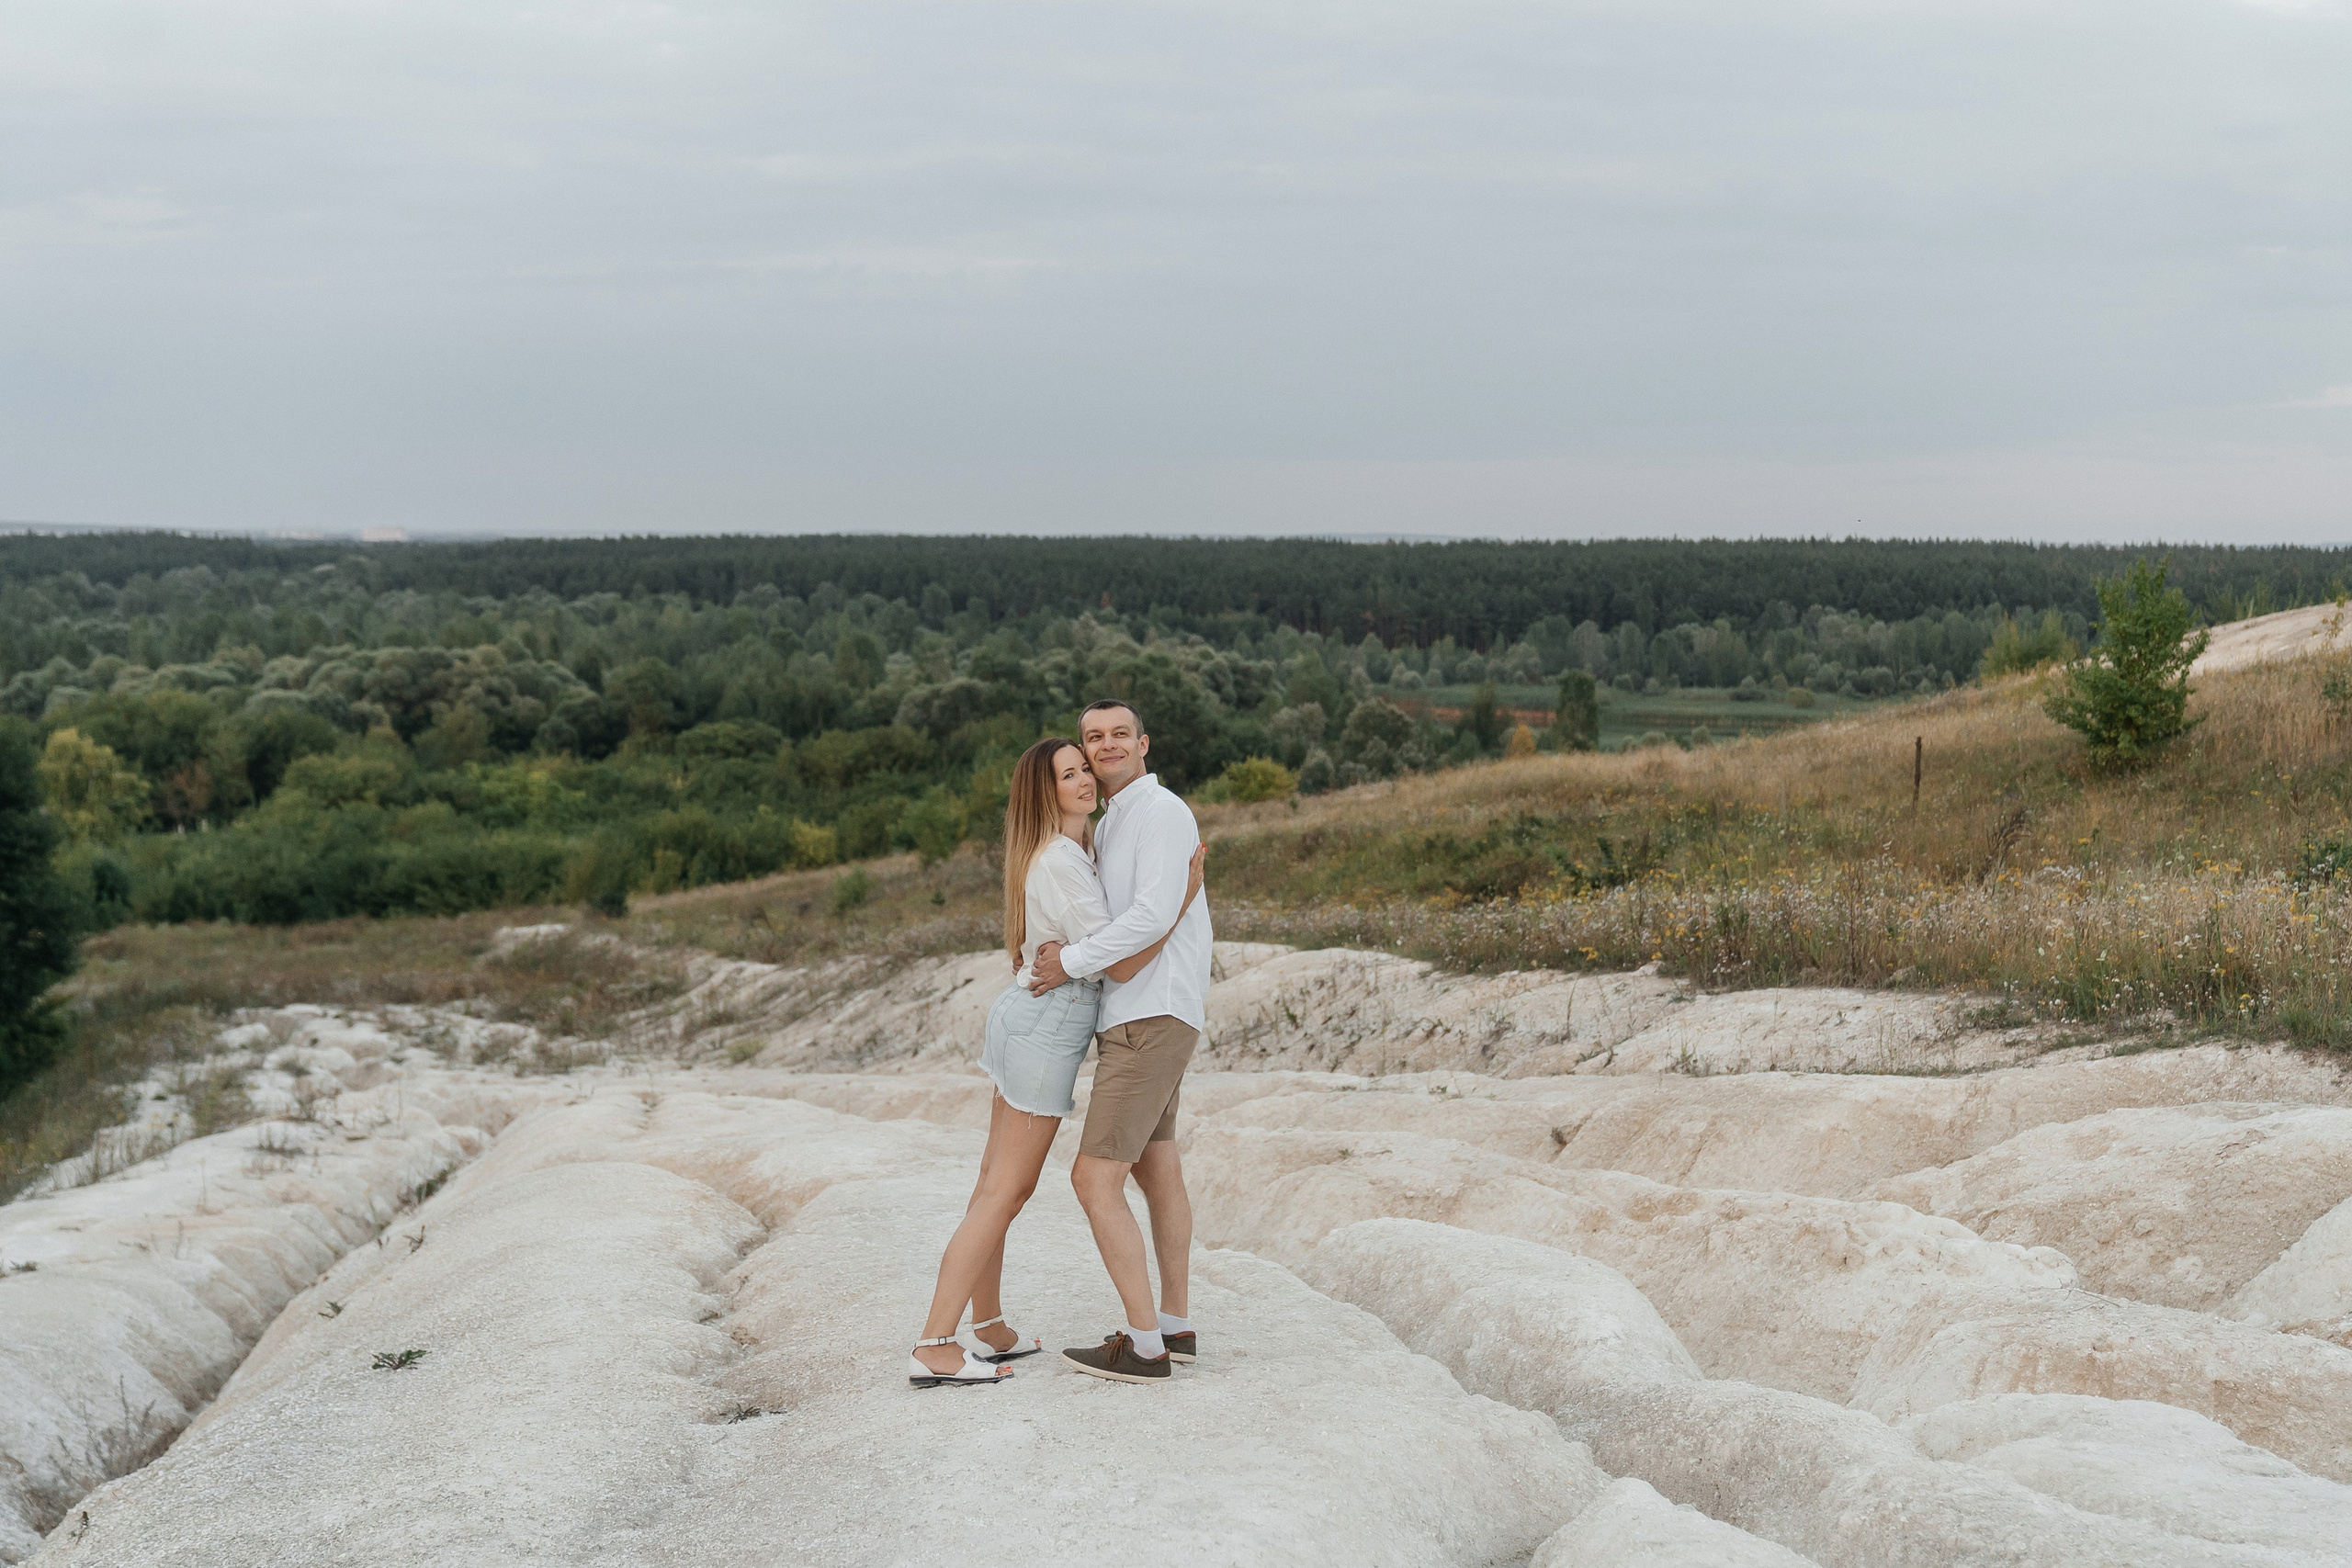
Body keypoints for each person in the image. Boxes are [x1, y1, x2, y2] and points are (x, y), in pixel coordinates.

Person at [908, 735, 1203, 1388]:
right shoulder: (1063, 864)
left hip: (1031, 1023)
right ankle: (934, 1342)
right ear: (1045, 791)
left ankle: (989, 1328)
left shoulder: (1073, 852)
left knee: (994, 1183)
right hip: (1043, 1033)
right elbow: (1120, 957)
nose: (1083, 781)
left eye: (1082, 770)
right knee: (1005, 1190)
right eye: (1068, 774)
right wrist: (1182, 895)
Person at [1026, 699, 1213, 1385]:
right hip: (1148, 1008)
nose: (1104, 746)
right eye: (1091, 738)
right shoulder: (1115, 821)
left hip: (1149, 1012)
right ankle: (1174, 1324)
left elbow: (1149, 916)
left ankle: (1144, 1346)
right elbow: (1149, 913)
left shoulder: (1158, 813)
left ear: (1143, 741)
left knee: (1093, 1175)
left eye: (1117, 735)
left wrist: (1067, 962)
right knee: (1154, 1166)